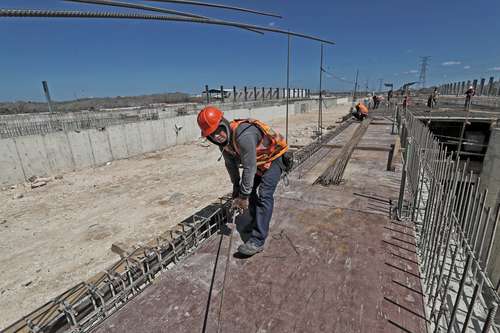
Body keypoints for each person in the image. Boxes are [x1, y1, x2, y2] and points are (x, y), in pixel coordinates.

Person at [197, 106, 288, 256]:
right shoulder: (224, 143)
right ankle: (255, 222)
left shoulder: (244, 135)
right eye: (211, 135)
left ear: (223, 123)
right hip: (259, 162)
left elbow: (249, 168)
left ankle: (258, 240)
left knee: (264, 193)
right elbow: (230, 164)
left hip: (274, 158)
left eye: (217, 130)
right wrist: (236, 187)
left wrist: (243, 195)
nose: (216, 136)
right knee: (247, 190)